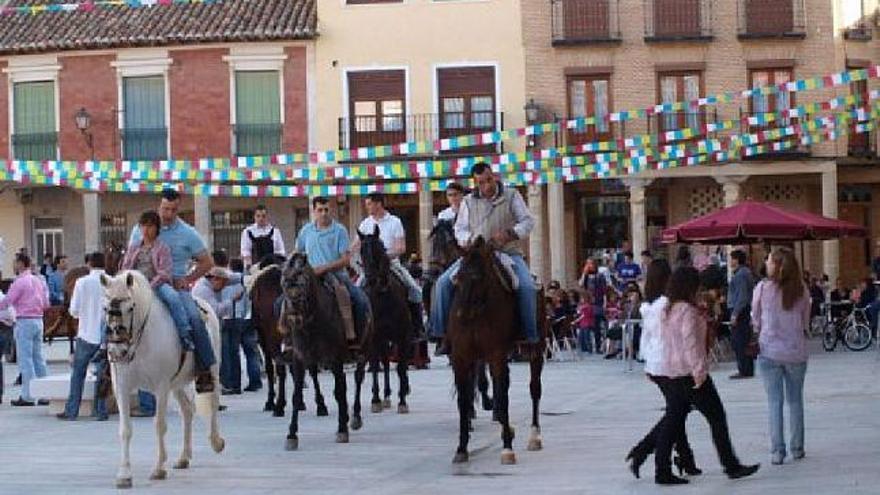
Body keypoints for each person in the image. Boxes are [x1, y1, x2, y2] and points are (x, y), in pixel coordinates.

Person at [648, 266, 760, 484]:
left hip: (674, 371)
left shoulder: (669, 309)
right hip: (690, 372)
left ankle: (662, 469)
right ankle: (731, 465)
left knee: (674, 419)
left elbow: (663, 341)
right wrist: (699, 372)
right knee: (716, 416)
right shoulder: (687, 312)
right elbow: (691, 344)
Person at [429, 162, 537, 344]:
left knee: (526, 286)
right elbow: (459, 229)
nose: (486, 186)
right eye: (480, 183)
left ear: (493, 176)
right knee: (442, 284)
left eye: (488, 180)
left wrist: (510, 233)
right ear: (475, 183)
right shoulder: (468, 202)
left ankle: (529, 333)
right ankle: (441, 332)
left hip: (508, 253)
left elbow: (527, 222)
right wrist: (469, 240)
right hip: (476, 255)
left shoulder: (511, 195)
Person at [128, 190, 216, 393]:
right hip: (141, 284)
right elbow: (131, 256)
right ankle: (106, 360)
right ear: (159, 206)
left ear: (178, 209)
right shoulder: (141, 228)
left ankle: (204, 369)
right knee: (114, 310)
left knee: (194, 317)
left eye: (173, 210)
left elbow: (207, 262)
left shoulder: (187, 233)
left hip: (173, 284)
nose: (167, 213)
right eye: (164, 208)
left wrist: (188, 279)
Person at [627, 258, 700, 479]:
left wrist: (646, 362)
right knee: (677, 411)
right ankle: (651, 457)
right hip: (670, 364)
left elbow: (648, 338)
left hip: (656, 364)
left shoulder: (649, 305)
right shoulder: (666, 305)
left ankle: (685, 459)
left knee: (677, 410)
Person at [752, 247, 810, 465]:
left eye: (769, 261)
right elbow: (806, 321)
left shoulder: (762, 289)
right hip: (796, 351)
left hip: (769, 350)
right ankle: (797, 448)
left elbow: (755, 319)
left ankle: (778, 451)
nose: (766, 264)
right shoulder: (801, 290)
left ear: (776, 265)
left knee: (774, 402)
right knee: (795, 401)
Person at [297, 196, 370, 344]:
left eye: (326, 210)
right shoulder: (306, 231)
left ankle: (356, 340)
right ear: (314, 211)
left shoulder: (339, 230)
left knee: (361, 301)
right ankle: (290, 341)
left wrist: (324, 268)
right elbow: (298, 253)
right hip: (310, 276)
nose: (323, 213)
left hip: (336, 275)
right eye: (320, 210)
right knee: (284, 301)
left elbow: (345, 260)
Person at [122, 211, 196, 353]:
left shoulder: (162, 248)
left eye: (150, 226)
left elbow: (164, 272)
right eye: (143, 226)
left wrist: (149, 286)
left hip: (156, 284)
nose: (146, 230)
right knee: (112, 303)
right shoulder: (133, 247)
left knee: (173, 298)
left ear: (157, 229)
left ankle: (184, 333)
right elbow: (126, 267)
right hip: (134, 285)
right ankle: (103, 344)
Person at [357, 192, 424, 337]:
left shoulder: (395, 221)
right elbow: (356, 245)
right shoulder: (365, 224)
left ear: (379, 204)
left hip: (391, 264)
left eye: (369, 204)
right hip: (370, 268)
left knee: (414, 289)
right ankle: (361, 329)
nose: (367, 207)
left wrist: (384, 256)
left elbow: (401, 248)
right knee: (357, 291)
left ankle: (417, 327)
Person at [57, 252, 109, 421]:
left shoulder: (82, 282)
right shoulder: (111, 282)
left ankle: (72, 411)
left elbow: (74, 311)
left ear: (90, 264)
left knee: (78, 373)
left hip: (86, 334)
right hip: (104, 336)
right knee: (102, 375)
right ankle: (100, 411)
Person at [0, 253, 50, 406]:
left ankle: (27, 395)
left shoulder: (19, 282)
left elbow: (7, 301)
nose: (14, 266)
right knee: (38, 358)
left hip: (24, 322)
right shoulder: (38, 280)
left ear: (21, 264)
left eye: (15, 263)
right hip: (38, 320)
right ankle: (45, 394)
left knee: (25, 360)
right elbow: (46, 303)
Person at [227, 258, 262, 392]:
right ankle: (255, 381)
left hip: (235, 318)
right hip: (249, 318)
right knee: (251, 352)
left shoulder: (229, 281)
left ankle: (235, 383)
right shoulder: (249, 280)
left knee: (234, 353)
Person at [727, 249, 755, 379]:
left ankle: (744, 368)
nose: (730, 262)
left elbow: (742, 296)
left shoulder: (741, 275)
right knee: (743, 340)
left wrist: (735, 313)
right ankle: (746, 368)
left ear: (737, 260)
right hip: (743, 310)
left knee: (739, 341)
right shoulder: (745, 273)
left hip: (740, 310)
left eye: (732, 259)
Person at [240, 204, 286, 269]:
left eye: (263, 216)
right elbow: (245, 251)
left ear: (267, 217)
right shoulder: (247, 232)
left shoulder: (275, 232)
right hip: (254, 268)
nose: (261, 219)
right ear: (254, 217)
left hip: (272, 268)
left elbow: (280, 251)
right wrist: (249, 266)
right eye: (258, 216)